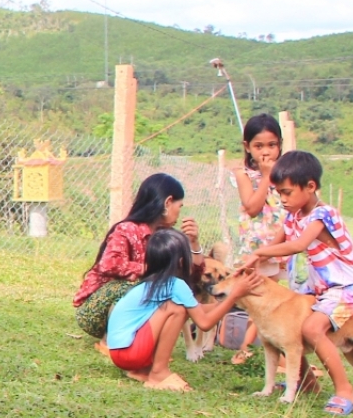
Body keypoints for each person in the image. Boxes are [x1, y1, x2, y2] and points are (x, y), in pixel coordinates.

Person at [239, 150, 353, 415]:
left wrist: (260, 253)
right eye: (279, 193)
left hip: (345, 289)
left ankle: (345, 390)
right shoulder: (293, 215)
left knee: (312, 329)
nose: (282, 199)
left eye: (286, 193)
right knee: (290, 327)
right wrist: (255, 259)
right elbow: (278, 241)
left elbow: (297, 245)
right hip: (318, 288)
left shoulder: (323, 215)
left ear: (310, 186)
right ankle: (306, 384)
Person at [105, 229, 262, 391]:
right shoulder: (176, 284)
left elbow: (198, 310)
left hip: (120, 353)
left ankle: (142, 371)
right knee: (177, 310)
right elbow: (205, 323)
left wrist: (234, 300)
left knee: (182, 308)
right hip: (130, 353)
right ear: (181, 261)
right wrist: (234, 294)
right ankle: (158, 373)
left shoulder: (153, 283)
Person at [74, 173, 203, 345]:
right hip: (95, 311)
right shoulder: (126, 229)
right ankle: (110, 342)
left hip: (132, 308)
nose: (180, 213)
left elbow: (191, 278)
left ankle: (141, 345)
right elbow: (109, 265)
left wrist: (194, 244)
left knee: (163, 289)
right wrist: (152, 269)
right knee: (142, 286)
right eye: (179, 206)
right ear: (167, 203)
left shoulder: (166, 237)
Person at [229, 114, 285, 364]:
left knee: (273, 300)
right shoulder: (244, 174)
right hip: (255, 248)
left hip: (279, 246)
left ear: (280, 145)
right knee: (260, 301)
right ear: (247, 147)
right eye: (258, 146)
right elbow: (251, 207)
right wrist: (265, 176)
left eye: (271, 145)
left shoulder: (286, 173)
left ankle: (250, 349)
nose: (266, 151)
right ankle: (249, 349)